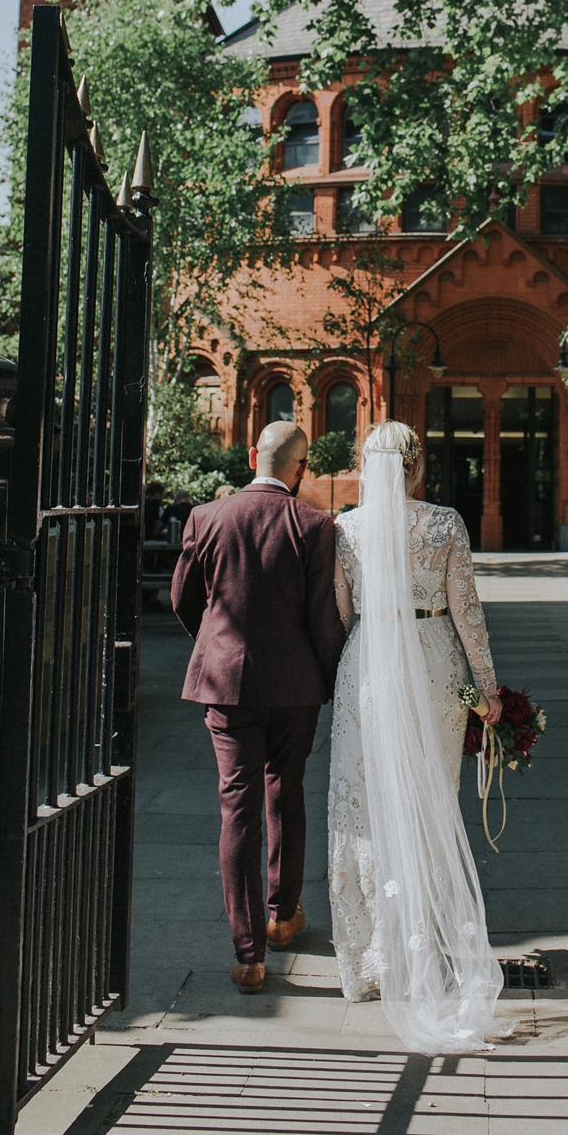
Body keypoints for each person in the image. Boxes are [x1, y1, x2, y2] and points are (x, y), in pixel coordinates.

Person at [328, 420, 512, 1053]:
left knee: (366, 805)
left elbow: (343, 612)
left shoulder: (345, 528)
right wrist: (488, 689)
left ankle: (374, 958)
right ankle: (427, 944)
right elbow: (468, 610)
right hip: (434, 659)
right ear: (417, 464)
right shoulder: (445, 524)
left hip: (370, 665)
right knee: (431, 800)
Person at [171, 421, 346, 995]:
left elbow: (183, 598)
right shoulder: (316, 525)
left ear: (252, 456)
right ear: (301, 470)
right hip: (295, 684)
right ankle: (283, 916)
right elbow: (324, 617)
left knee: (236, 808)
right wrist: (329, 675)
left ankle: (249, 956)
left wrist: (216, 640)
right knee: (285, 793)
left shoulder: (207, 517)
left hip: (226, 683)